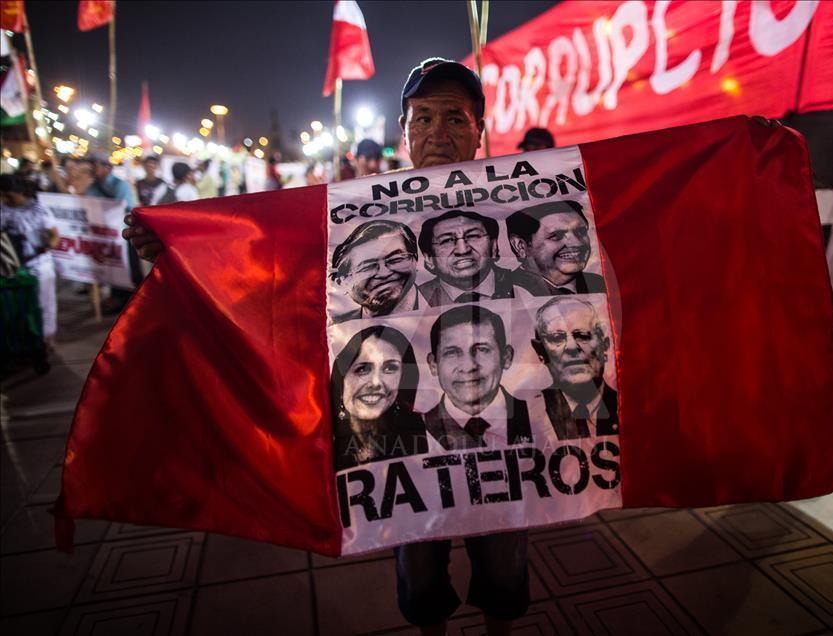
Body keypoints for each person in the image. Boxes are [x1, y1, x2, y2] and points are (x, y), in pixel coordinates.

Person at [123, 56, 528, 634]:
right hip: (401, 434)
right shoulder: (350, 209)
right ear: (404, 129)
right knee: (418, 566)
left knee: (505, 562)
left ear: (479, 131)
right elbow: (267, 260)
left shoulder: (511, 201)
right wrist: (178, 247)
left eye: (456, 119)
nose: (439, 131)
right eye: (424, 117)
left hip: (501, 429)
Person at [424, 304, 531, 450]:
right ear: (433, 364)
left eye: (482, 349)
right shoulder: (415, 431)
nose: (469, 367)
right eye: (451, 353)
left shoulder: (539, 415)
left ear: (506, 357)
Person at [331, 325, 428, 470]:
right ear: (342, 378)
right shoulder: (321, 444)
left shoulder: (427, 436)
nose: (375, 383)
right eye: (363, 369)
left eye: (390, 369)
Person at [529, 296, 618, 439]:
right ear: (541, 352)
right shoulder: (526, 415)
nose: (572, 347)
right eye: (557, 338)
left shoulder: (633, 406)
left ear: (605, 344)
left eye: (582, 335)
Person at [0, 174, 60, 345]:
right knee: (19, 307)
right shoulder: (3, 209)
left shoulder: (38, 210)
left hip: (39, 265)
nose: (5, 199)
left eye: (8, 195)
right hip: (12, 268)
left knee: (44, 304)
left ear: (18, 192)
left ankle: (47, 339)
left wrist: (46, 246)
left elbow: (55, 235)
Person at [329, 220, 422, 324]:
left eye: (395, 259)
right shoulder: (337, 327)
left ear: (415, 259)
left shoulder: (441, 303)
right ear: (342, 281)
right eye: (367, 267)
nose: (384, 273)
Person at [506, 200, 606, 296]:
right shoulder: (506, 290)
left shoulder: (599, 283)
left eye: (581, 232)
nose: (577, 243)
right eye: (557, 235)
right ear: (520, 245)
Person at [417, 210, 514, 306]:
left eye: (473, 236)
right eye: (447, 240)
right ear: (429, 258)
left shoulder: (522, 283)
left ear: (493, 247)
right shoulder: (416, 298)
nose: (463, 250)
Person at [87, 154, 140, 307]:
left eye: (96, 166)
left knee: (130, 269)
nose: (93, 169)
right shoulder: (93, 187)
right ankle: (117, 299)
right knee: (112, 267)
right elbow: (89, 203)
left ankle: (136, 301)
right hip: (104, 235)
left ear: (107, 168)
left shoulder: (120, 185)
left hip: (123, 234)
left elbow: (123, 207)